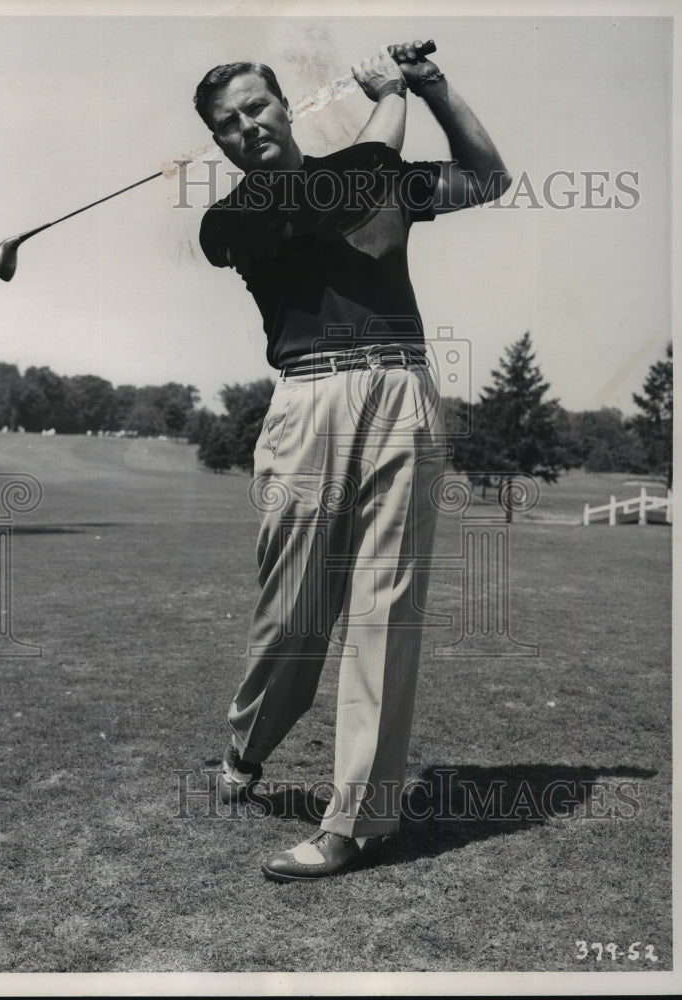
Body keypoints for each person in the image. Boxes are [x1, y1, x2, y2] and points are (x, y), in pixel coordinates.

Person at [193, 39, 510, 882]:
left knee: (384, 611)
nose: (246, 127)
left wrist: (433, 86)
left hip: (401, 393)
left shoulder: (371, 168)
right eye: (226, 124)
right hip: (308, 400)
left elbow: (486, 178)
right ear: (219, 144)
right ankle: (246, 744)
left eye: (257, 107)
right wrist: (390, 94)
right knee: (293, 616)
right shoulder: (234, 218)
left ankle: (355, 825)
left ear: (284, 107)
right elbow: (355, 177)